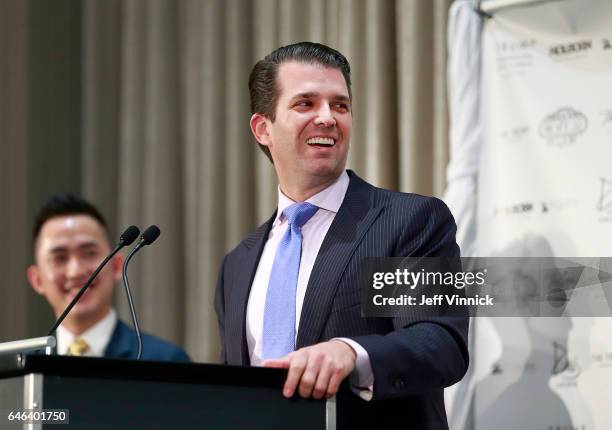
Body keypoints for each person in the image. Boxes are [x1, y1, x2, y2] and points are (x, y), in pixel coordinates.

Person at [214, 42, 468, 428]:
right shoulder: (237, 264)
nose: (328, 118)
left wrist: (351, 352)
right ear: (263, 128)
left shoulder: (409, 221)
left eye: (340, 105)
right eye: (306, 104)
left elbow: (440, 342)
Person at [27, 194, 190, 362]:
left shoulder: (165, 361)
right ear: (37, 280)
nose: (75, 271)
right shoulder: (18, 368)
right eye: (60, 258)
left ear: (117, 265)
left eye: (89, 253)